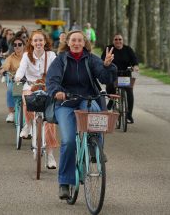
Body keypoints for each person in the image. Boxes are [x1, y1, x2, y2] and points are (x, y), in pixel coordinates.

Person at [46, 30, 117, 199]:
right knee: (69, 140)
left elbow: (105, 78)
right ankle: (64, 182)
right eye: (74, 40)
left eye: (80, 40)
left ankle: (95, 148)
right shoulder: (60, 60)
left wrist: (107, 66)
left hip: (87, 98)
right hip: (65, 103)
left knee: (95, 112)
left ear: (84, 43)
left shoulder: (91, 59)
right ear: (68, 43)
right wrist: (57, 91)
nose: (77, 43)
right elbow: (52, 80)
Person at [15, 30, 59, 169]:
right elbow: (21, 70)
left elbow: (57, 70)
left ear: (45, 42)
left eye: (41, 40)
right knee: (27, 97)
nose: (38, 43)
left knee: (50, 121)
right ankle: (28, 124)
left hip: (47, 87)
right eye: (36, 40)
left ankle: (50, 155)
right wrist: (17, 77)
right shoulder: (26, 56)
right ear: (32, 43)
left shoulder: (51, 55)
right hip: (31, 86)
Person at [101, 33, 139, 124]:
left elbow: (134, 61)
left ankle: (129, 115)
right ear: (113, 41)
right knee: (110, 86)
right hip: (113, 74)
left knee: (129, 92)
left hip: (125, 74)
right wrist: (106, 64)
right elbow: (103, 60)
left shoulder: (128, 49)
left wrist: (135, 66)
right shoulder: (109, 48)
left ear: (122, 41)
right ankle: (111, 99)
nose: (118, 41)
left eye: (120, 39)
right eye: (116, 39)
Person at [0, 37, 25, 123]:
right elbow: (6, 65)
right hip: (15, 81)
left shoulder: (28, 56)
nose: (17, 46)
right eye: (15, 45)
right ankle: (11, 113)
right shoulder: (11, 57)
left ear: (23, 46)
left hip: (27, 81)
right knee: (10, 90)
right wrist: (3, 70)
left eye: (20, 44)